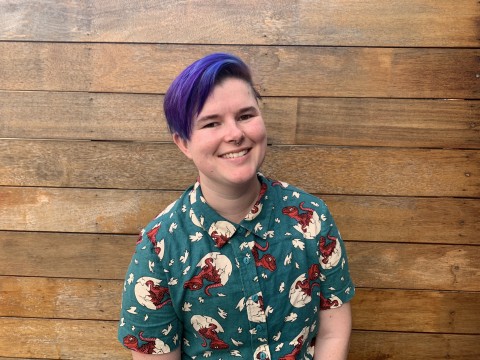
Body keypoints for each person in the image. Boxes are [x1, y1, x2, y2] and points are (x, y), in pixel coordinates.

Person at [118, 53, 355, 360]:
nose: (235, 134)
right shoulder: (159, 247)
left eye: (245, 116)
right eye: (211, 123)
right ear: (183, 143)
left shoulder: (312, 217)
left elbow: (334, 331)